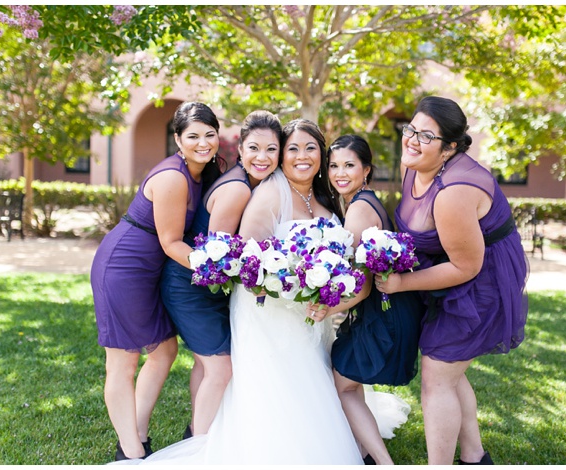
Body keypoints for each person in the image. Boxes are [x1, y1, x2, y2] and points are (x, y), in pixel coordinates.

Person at [117, 119, 408, 465]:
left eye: (311, 148)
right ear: (283, 156)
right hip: (268, 313)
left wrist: (328, 289)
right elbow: (249, 267)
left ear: (322, 154)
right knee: (280, 384)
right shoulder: (268, 194)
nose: (302, 156)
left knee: (314, 379)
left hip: (312, 317)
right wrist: (296, 285)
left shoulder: (327, 197)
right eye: (293, 149)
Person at [375, 96, 529, 465]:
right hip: (446, 268)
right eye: (410, 129)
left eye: (425, 136)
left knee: (438, 377)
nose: (411, 139)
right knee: (450, 370)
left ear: (450, 148)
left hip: (481, 280)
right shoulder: (415, 163)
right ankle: (475, 457)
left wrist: (400, 283)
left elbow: (466, 267)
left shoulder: (454, 192)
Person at [90, 102, 223, 461]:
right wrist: (218, 269)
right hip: (124, 267)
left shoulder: (201, 174)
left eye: (209, 135)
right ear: (178, 139)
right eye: (193, 136)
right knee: (122, 362)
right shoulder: (174, 177)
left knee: (164, 351)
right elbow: (170, 242)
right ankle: (131, 453)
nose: (203, 143)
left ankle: (138, 432)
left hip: (150, 270)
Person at [159, 110, 282, 439]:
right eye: (254, 148)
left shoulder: (254, 183)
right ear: (240, 149)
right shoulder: (238, 190)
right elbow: (219, 259)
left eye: (272, 149)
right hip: (189, 287)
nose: (262, 157)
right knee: (219, 368)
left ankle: (196, 430)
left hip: (204, 288)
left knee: (205, 364)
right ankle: (198, 445)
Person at [319, 134, 423, 465]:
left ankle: (381, 461)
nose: (339, 173)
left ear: (366, 170)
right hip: (384, 309)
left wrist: (325, 309)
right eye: (333, 166)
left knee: (344, 385)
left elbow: (360, 287)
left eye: (349, 165)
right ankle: (363, 452)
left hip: (384, 313)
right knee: (349, 377)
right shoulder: (363, 200)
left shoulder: (360, 209)